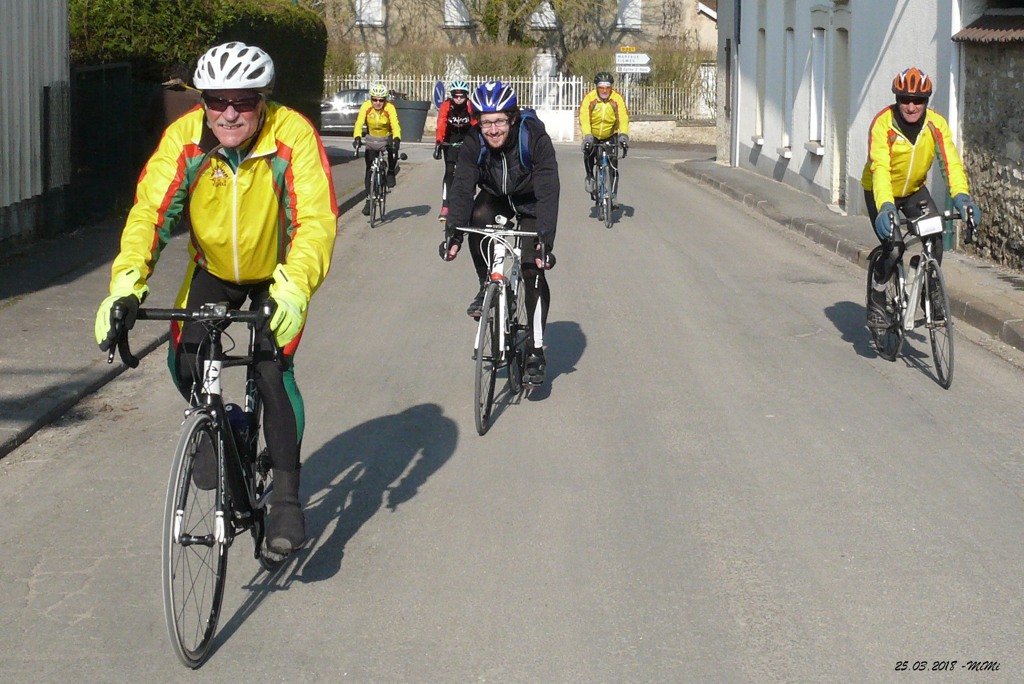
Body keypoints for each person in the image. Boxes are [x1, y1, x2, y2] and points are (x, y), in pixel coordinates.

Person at [94, 42, 338, 556]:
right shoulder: (185, 139)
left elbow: (315, 221)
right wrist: (126, 283)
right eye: (216, 100)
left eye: (244, 101)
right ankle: (222, 423)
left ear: (262, 101)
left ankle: (286, 497)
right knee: (184, 360)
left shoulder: (292, 134)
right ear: (202, 102)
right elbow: (150, 214)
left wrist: (294, 287)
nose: (230, 113)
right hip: (213, 271)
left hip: (277, 275)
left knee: (271, 369)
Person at [439, 80, 559, 387]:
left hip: (531, 202)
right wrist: (454, 233)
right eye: (486, 123)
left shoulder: (534, 137)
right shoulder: (474, 141)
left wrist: (545, 240)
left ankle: (535, 349)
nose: (492, 130)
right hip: (496, 197)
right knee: (477, 218)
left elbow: (548, 189)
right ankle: (486, 285)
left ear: (512, 118)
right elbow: (463, 187)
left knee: (532, 269)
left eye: (500, 121)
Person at [861, 66, 981, 329]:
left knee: (935, 236)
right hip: (881, 192)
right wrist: (886, 206)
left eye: (918, 100)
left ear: (926, 101)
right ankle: (878, 294)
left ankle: (930, 289)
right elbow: (880, 169)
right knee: (894, 248)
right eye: (905, 99)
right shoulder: (883, 124)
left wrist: (962, 197)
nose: (911, 106)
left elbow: (950, 163)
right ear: (897, 99)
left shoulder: (936, 124)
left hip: (914, 190)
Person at [579, 71, 630, 205]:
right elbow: (584, 118)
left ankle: (613, 195)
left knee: (613, 165)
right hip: (593, 134)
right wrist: (587, 136)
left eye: (607, 88)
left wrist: (623, 135)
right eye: (601, 88)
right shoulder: (589, 98)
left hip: (610, 134)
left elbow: (623, 117)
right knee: (588, 153)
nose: (605, 91)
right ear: (597, 87)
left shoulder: (617, 98)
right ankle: (590, 176)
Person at [353, 83, 402, 216]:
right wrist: (357, 137)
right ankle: (368, 200)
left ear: (385, 100)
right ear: (371, 99)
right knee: (369, 169)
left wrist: (397, 139)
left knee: (393, 151)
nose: (378, 103)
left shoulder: (389, 108)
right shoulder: (366, 106)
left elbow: (395, 125)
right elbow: (359, 123)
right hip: (372, 138)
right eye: (375, 99)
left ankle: (390, 172)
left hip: (386, 136)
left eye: (381, 100)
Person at [433, 79, 476, 221]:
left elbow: (476, 125)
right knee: (449, 171)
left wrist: (478, 142)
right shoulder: (446, 105)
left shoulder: (470, 106)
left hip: (467, 137)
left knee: (469, 170)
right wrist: (439, 142)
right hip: (450, 138)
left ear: (466, 96)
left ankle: (470, 199)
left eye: (461, 96)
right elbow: (441, 123)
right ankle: (446, 205)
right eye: (456, 96)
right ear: (451, 96)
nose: (458, 99)